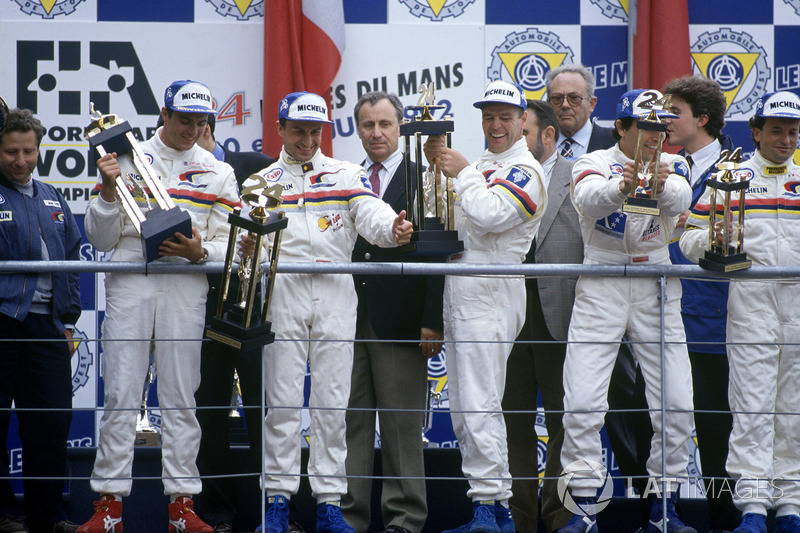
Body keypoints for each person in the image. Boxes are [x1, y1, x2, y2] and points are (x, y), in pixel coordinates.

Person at [78, 80, 240, 533]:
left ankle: (182, 506)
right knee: (121, 394)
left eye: (201, 122)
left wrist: (199, 253)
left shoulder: (217, 170)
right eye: (184, 119)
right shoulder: (124, 154)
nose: (192, 129)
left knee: (181, 396)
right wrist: (109, 191)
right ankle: (107, 506)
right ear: (164, 115)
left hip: (186, 283)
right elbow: (100, 238)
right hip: (131, 276)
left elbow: (231, 243)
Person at [254, 91, 413, 533]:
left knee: (331, 404)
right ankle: (278, 502)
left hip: (336, 295)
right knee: (282, 403)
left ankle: (329, 504)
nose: (307, 140)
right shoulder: (261, 182)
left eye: (314, 132)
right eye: (298, 131)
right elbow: (253, 244)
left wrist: (394, 230)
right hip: (283, 292)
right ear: (281, 129)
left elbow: (373, 216)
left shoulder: (346, 174)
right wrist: (251, 243)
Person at [558, 89, 695, 533]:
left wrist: (657, 182)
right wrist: (624, 184)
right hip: (602, 281)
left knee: (675, 402)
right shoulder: (591, 162)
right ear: (621, 127)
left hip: (656, 279)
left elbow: (681, 197)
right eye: (645, 129)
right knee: (582, 401)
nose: (655, 138)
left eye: (662, 129)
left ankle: (663, 511)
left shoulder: (673, 165)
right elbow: (589, 200)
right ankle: (584, 512)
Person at [423, 80, 547, 533]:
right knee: (466, 406)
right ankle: (493, 509)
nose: (496, 125)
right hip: (461, 285)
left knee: (480, 404)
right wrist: (436, 166)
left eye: (505, 117)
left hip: (493, 285)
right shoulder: (477, 165)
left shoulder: (526, 170)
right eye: (488, 116)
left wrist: (462, 174)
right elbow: (449, 218)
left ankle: (488, 508)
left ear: (522, 123)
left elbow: (492, 215)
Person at [679, 90, 800, 533]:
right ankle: (751, 507)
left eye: (792, 132)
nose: (785, 140)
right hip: (750, 305)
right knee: (750, 407)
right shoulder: (731, 176)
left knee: (793, 409)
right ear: (756, 131)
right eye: (776, 130)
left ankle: (789, 505)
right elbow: (689, 240)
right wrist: (716, 241)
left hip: (798, 308)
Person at [341, 91, 444, 533]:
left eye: (385, 124)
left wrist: (432, 319)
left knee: (402, 427)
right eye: (368, 125)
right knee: (352, 424)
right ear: (358, 129)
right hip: (345, 317)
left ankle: (405, 519)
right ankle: (349, 516)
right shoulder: (345, 178)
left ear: (400, 126)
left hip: (403, 319)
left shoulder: (428, 177)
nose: (376, 133)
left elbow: (439, 254)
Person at [192, 112, 276, 533]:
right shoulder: (181, 176)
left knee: (267, 412)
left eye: (196, 129)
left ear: (207, 128)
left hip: (259, 309)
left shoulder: (257, 165)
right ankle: (218, 514)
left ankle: (278, 512)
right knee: (209, 410)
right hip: (207, 307)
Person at [663, 75, 739, 533]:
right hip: (659, 313)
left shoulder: (736, 169)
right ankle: (660, 512)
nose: (666, 121)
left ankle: (724, 521)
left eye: (676, 112)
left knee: (716, 431)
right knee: (648, 416)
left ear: (702, 119)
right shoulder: (664, 164)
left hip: (713, 320)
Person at [0, 107, 81, 533]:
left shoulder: (53, 195)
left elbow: (71, 263)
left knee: (50, 426)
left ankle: (47, 518)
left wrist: (67, 322)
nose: (20, 160)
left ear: (39, 150)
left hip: (48, 328)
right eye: (11, 151)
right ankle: (5, 514)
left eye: (28, 151)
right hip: (3, 323)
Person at [502, 99, 578, 533]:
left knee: (563, 423)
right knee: (512, 424)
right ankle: (519, 519)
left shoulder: (581, 175)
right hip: (508, 316)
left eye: (522, 130)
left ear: (548, 136)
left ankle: (559, 517)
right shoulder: (494, 174)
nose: (513, 137)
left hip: (561, 317)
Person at [545, 64, 615, 161]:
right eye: (557, 98)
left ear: (591, 104)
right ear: (548, 104)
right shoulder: (536, 144)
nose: (565, 105)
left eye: (574, 98)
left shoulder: (615, 142)